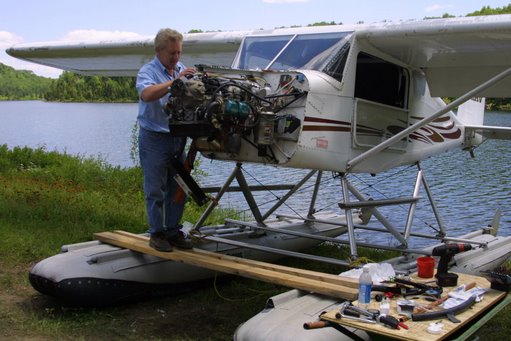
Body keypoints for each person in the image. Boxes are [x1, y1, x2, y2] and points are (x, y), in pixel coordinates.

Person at [136, 28, 196, 251]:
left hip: (177, 136)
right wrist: (174, 83)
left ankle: (173, 230)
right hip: (154, 137)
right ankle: (157, 234)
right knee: (155, 189)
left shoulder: (180, 69)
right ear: (158, 51)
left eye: (179, 53)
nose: (176, 58)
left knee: (178, 186)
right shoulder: (147, 71)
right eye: (172, 53)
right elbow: (147, 94)